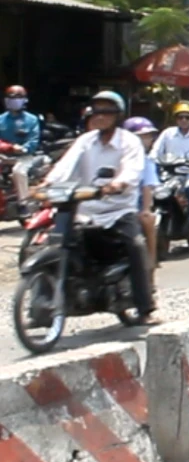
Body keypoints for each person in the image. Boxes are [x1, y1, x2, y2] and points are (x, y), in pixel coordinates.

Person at [40, 91, 156, 322]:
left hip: (118, 211)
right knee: (52, 246)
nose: (100, 116)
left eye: (107, 112)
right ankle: (42, 308)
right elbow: (65, 165)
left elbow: (133, 170)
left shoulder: (129, 141)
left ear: (118, 115)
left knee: (135, 245)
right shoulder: (85, 141)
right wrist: (47, 184)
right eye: (97, 111)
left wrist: (118, 183)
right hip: (85, 210)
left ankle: (146, 308)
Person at [151, 101, 189, 245]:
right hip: (170, 173)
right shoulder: (167, 133)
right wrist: (152, 159)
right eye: (180, 117)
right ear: (176, 119)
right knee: (155, 190)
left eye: (187, 117)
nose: (184, 120)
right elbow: (155, 150)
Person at [123, 117, 161, 284]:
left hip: (134, 208)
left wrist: (145, 209)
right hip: (109, 207)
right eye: (142, 136)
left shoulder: (146, 162)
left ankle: (149, 273)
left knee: (148, 221)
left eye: (149, 136)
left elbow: (147, 188)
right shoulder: (116, 155)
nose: (147, 140)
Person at [0, 85, 42, 217]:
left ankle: (23, 203)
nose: (14, 101)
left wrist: (23, 148)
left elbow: (34, 140)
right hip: (3, 155)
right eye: (10, 98)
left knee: (19, 172)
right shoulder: (1, 119)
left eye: (18, 98)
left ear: (24, 100)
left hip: (24, 156)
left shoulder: (31, 119)